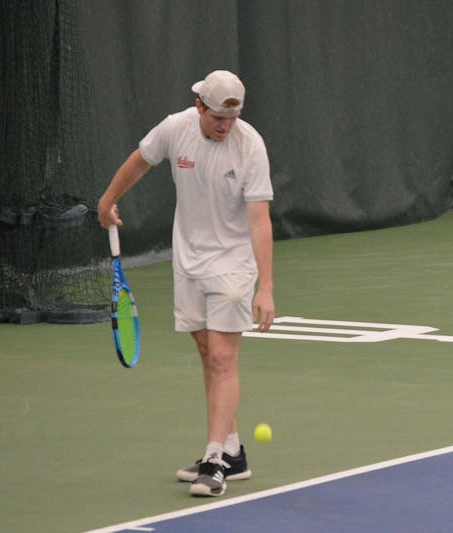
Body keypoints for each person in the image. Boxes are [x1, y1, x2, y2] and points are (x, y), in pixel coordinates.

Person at [97, 69, 275, 497]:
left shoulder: (250, 146)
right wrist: (107, 201)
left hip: (233, 266)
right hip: (188, 262)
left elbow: (259, 221)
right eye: (217, 117)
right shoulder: (175, 129)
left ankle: (214, 461)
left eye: (232, 119)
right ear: (199, 106)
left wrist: (265, 285)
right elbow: (139, 161)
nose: (225, 126)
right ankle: (233, 452)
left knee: (221, 358)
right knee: (205, 352)